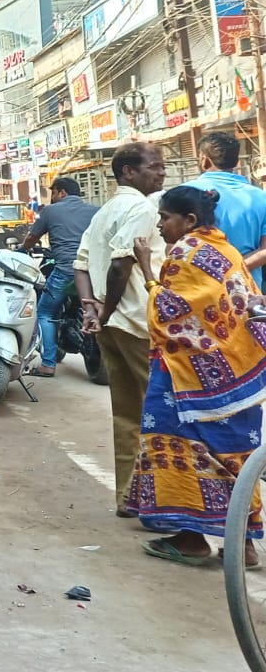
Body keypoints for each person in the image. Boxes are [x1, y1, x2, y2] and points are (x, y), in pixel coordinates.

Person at [128, 186, 264, 568]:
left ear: (188, 220)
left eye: (165, 217)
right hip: (237, 375)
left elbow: (166, 313)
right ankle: (244, 544)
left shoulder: (184, 253)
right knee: (236, 456)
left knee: (182, 448)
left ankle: (191, 540)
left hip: (186, 375)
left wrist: (146, 269)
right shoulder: (226, 250)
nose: (160, 225)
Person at [76, 141, 165, 516]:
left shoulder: (105, 211)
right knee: (158, 413)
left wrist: (92, 309)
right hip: (136, 323)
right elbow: (120, 264)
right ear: (129, 172)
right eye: (154, 166)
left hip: (112, 325)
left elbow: (81, 264)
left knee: (127, 413)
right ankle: (157, 500)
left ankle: (129, 496)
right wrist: (106, 310)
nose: (161, 172)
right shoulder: (143, 208)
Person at [19, 177, 99, 377]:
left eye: (53, 193)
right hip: (94, 271)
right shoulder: (96, 210)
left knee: (45, 313)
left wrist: (22, 249)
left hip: (65, 270)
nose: (52, 197)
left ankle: (48, 364)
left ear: (62, 192)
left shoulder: (50, 211)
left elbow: (32, 237)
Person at [191, 130, 266, 289]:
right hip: (247, 293)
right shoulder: (261, 197)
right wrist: (231, 271)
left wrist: (215, 272)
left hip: (198, 291)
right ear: (237, 161)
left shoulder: (185, 193)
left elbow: (172, 246)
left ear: (204, 160)